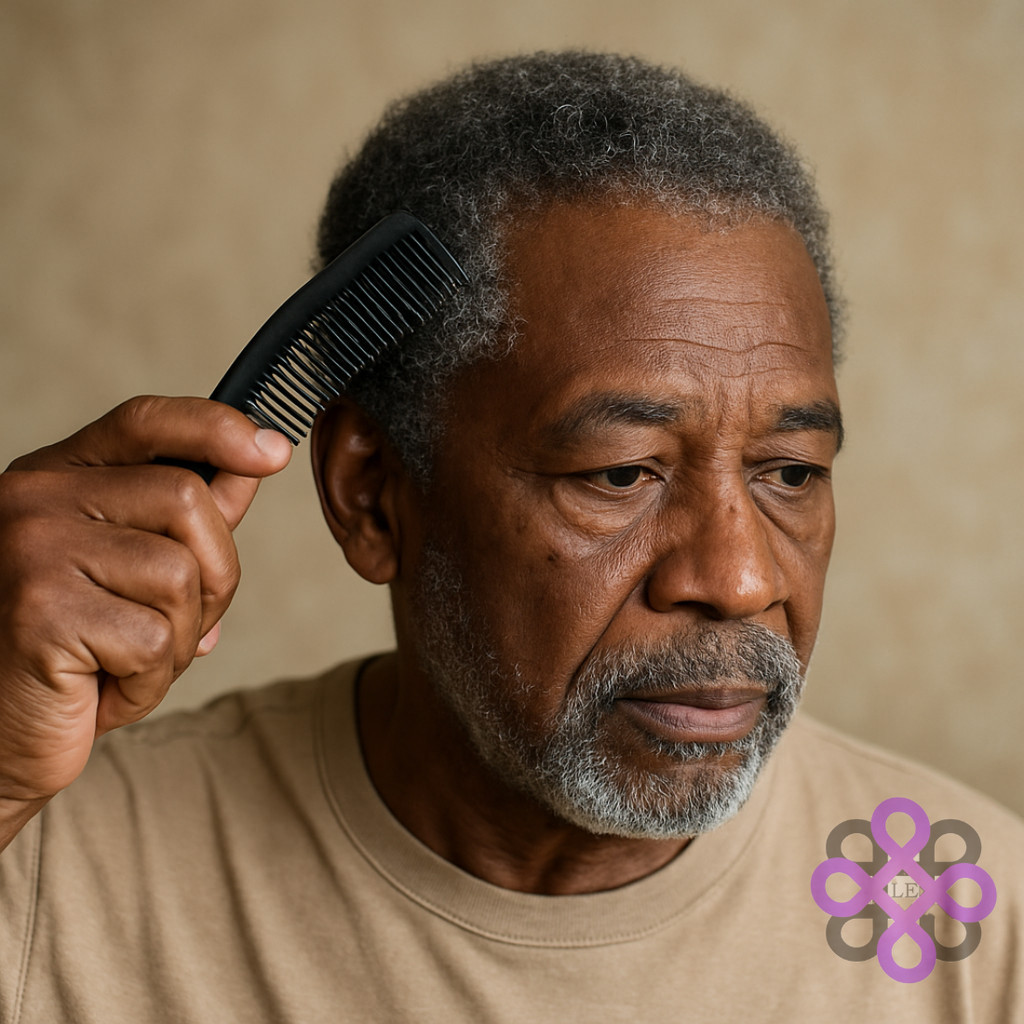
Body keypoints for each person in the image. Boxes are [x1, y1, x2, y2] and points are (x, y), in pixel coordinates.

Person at [0, 51, 1020, 1022]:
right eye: (619, 473)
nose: (740, 576)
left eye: (789, 474)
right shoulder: (56, 868)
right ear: (371, 493)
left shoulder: (972, 915)